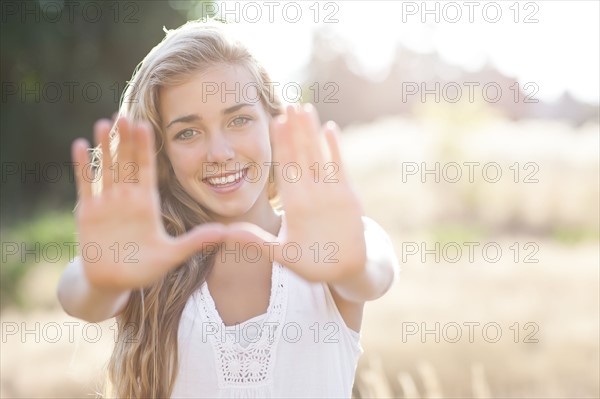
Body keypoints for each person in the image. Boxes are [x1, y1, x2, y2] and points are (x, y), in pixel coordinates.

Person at [57, 19, 399, 398]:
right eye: (187, 132)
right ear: (163, 152)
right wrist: (102, 280)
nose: (219, 153)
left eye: (239, 120)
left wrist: (351, 265)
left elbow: (376, 272)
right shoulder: (148, 260)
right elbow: (78, 295)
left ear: (273, 123)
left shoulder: (338, 240)